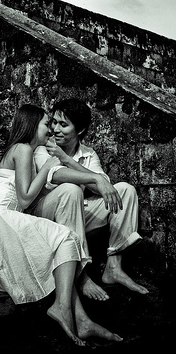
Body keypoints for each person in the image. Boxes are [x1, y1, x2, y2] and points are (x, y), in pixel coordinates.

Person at [0, 104, 123, 346]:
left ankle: (79, 317)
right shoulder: (23, 149)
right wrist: (48, 166)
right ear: (33, 125)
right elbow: (24, 197)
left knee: (62, 242)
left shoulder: (26, 150)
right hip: (2, 214)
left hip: (5, 214)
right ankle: (64, 308)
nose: (51, 128)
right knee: (64, 238)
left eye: (56, 124)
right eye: (47, 123)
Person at [29, 98, 149, 301]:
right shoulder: (43, 148)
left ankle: (113, 266)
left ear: (81, 130)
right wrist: (93, 178)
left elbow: (103, 185)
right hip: (46, 216)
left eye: (63, 124)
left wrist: (69, 160)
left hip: (76, 213)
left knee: (125, 190)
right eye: (54, 122)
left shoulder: (88, 154)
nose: (55, 129)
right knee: (70, 189)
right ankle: (80, 274)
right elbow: (55, 175)